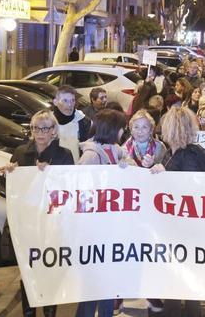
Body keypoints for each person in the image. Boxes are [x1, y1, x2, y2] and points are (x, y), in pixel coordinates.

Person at [0, 110, 73, 317]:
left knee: (50, 271)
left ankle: (50, 312)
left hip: (51, 223)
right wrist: (9, 174)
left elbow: (69, 188)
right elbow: (12, 189)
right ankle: (28, 312)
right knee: (27, 270)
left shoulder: (63, 155)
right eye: (36, 128)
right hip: (28, 222)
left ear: (54, 131)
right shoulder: (21, 152)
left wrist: (48, 175)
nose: (40, 132)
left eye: (45, 128)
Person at [150, 107, 205, 317]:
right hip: (190, 229)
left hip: (183, 229)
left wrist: (165, 174)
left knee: (178, 282)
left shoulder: (185, 156)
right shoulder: (187, 152)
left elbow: (188, 191)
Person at [75, 109, 133, 317]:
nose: (123, 132)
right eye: (121, 128)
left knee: (108, 282)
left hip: (110, 228)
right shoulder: (91, 155)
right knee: (94, 283)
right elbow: (79, 189)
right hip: (94, 230)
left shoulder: (115, 150)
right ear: (112, 130)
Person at [51, 86, 92, 163]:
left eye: (72, 100)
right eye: (65, 100)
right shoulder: (47, 122)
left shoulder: (84, 121)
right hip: (55, 169)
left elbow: (91, 147)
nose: (70, 104)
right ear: (55, 102)